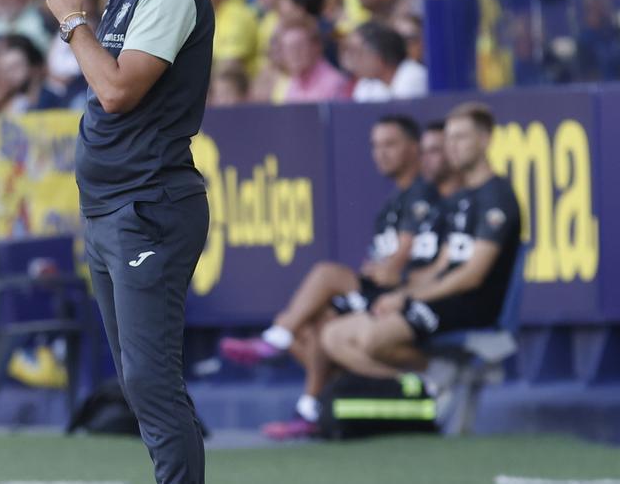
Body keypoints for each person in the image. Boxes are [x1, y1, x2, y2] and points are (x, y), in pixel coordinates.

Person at [45, 0, 211, 484]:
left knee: (149, 378)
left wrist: (72, 22)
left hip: (149, 206)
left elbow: (116, 92)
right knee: (139, 380)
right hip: (113, 207)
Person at [220, 116, 443, 439]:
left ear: (413, 148)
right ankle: (311, 406)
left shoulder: (421, 192)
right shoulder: (393, 202)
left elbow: (398, 265)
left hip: (405, 298)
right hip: (379, 294)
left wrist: (386, 269)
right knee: (309, 327)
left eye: (390, 144)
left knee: (326, 276)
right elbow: (381, 261)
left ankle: (278, 343)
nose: (381, 153)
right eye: (375, 146)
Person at [321, 103, 522, 380]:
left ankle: (438, 377)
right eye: (449, 138)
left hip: (470, 305)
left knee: (372, 339)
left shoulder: (497, 196)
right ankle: (419, 390)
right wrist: (399, 291)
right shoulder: (461, 197)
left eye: (461, 137)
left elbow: (472, 276)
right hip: (442, 296)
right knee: (334, 336)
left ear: (485, 140)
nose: (453, 146)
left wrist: (409, 297)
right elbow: (442, 264)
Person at [347, 22, 429, 102]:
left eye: (358, 53)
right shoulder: (365, 84)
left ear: (378, 53)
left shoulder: (413, 76)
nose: (354, 60)